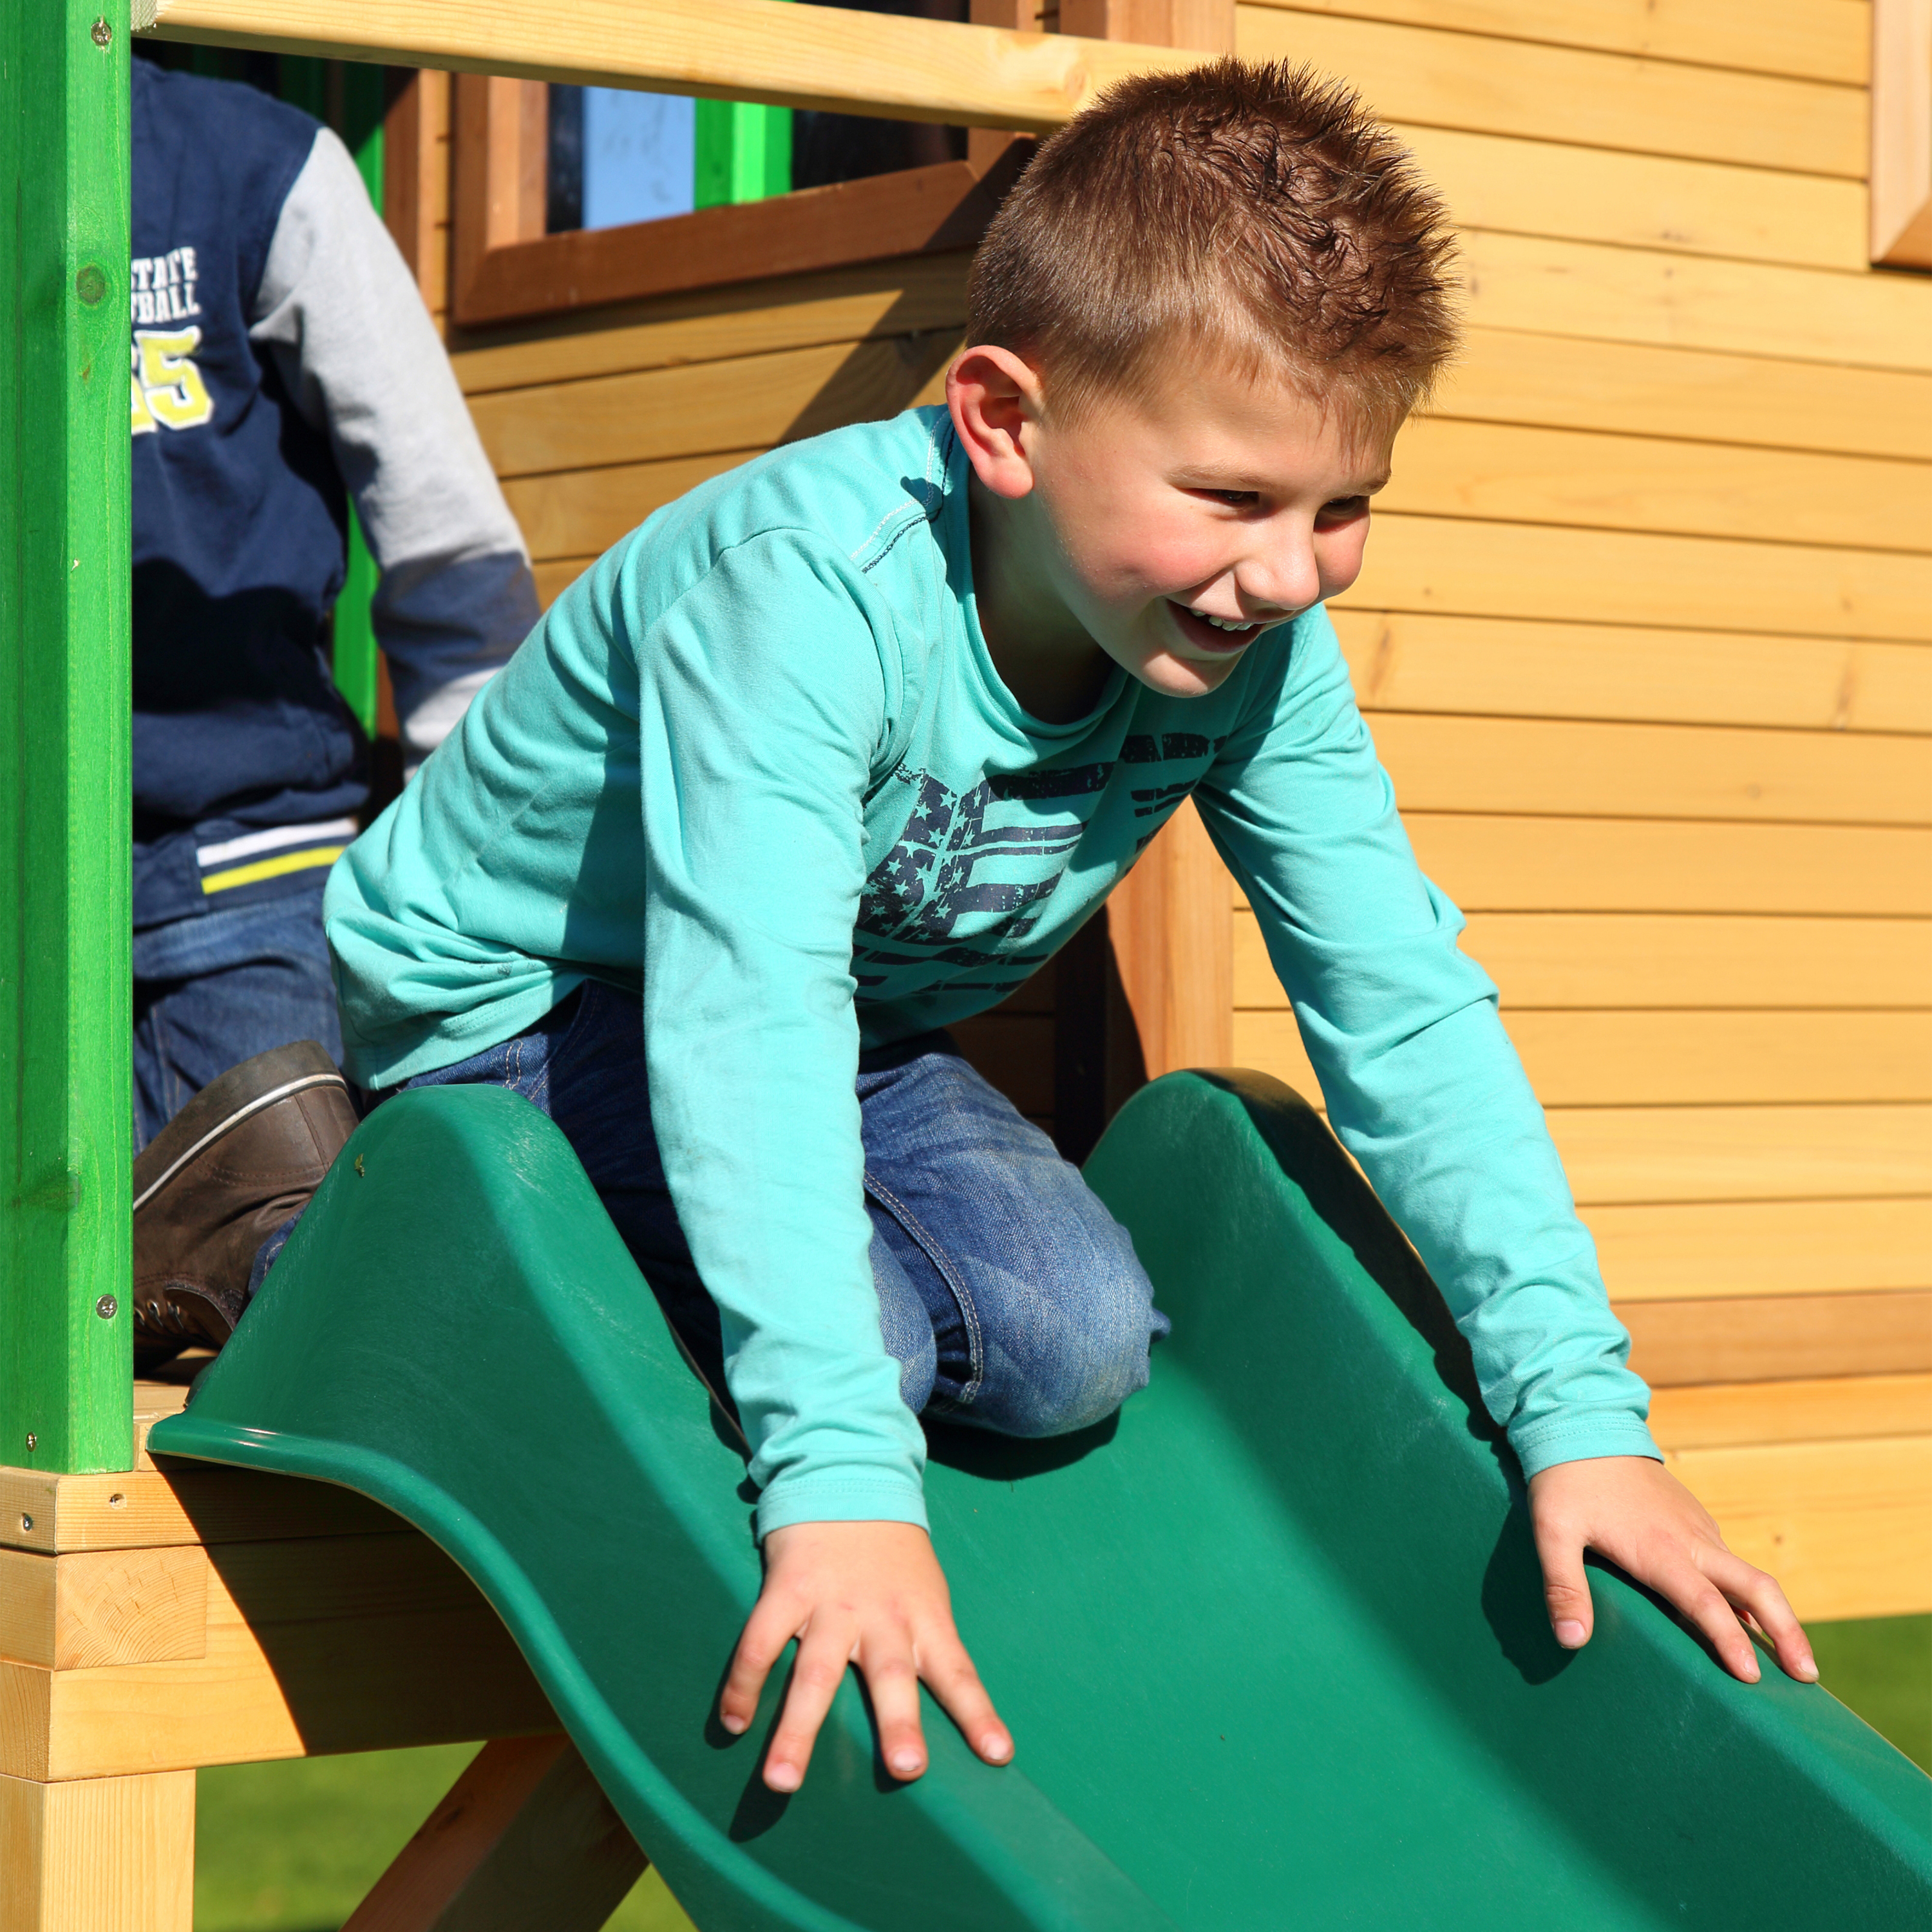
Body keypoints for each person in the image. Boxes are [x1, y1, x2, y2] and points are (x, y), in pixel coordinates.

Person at [151, 59, 1819, 1788]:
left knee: (1077, 1337)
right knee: (845, 1348)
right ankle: (298, 1220)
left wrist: (1583, 1423)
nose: (1288, 571)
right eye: (1233, 501)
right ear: (1005, 422)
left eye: (1345, 507)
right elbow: (747, 1012)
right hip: (522, 1001)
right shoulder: (806, 596)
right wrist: (845, 1492)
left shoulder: (1257, 657)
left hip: (840, 1031)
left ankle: (694, 1302)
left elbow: (1401, 1005)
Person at [126, 55, 536, 1363]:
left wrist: (480, 880)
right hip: (33, 875)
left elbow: (446, 545)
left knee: (314, 1260)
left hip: (245, 852)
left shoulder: (257, 169)